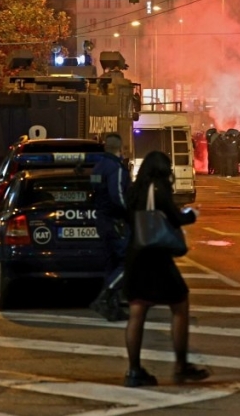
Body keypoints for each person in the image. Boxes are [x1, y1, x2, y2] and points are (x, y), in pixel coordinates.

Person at [123, 151, 209, 387]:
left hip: (135, 256)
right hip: (156, 257)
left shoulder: (134, 191)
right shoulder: (159, 190)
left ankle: (134, 371)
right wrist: (193, 215)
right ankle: (181, 366)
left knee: (137, 312)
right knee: (180, 305)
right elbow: (176, 219)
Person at [90, 132, 131, 322]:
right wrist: (129, 211)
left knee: (111, 263)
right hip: (116, 221)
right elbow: (118, 196)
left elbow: (96, 192)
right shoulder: (116, 168)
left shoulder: (98, 167)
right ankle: (105, 297)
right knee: (127, 262)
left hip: (102, 219)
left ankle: (112, 308)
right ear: (120, 149)